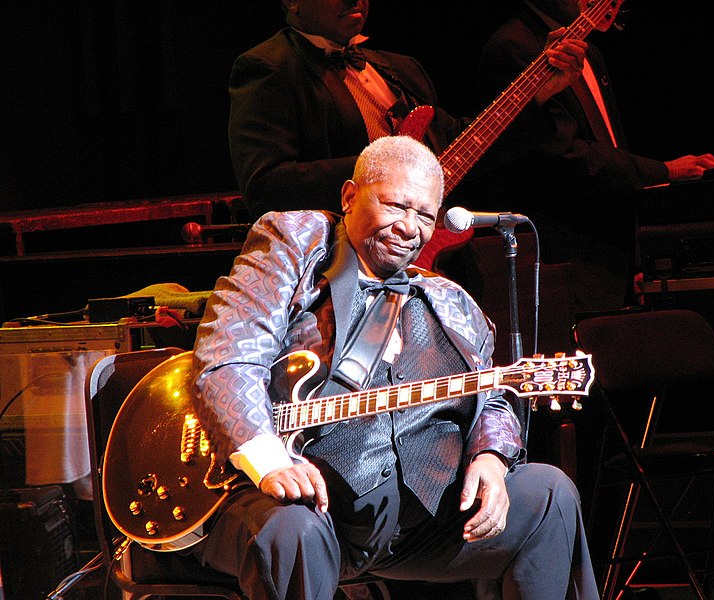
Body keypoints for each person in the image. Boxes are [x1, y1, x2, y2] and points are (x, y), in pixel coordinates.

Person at [190, 135, 600, 600]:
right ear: (349, 196)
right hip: (297, 507)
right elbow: (229, 354)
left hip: (414, 523)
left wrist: (491, 455)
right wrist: (268, 461)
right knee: (292, 530)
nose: (409, 226)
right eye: (395, 205)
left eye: (424, 215)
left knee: (550, 495)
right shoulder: (296, 242)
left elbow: (492, 392)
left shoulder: (451, 302)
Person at [466, 0, 714, 354]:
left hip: (608, 252)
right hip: (565, 259)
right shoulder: (515, 46)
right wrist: (663, 171)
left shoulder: (589, 51)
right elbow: (561, 155)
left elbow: (608, 144)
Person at [227, 0, 586, 224]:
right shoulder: (270, 67)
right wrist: (384, 171)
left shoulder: (401, 69)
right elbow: (266, 186)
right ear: (292, 2)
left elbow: (461, 146)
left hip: (432, 259)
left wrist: (536, 94)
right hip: (341, 267)